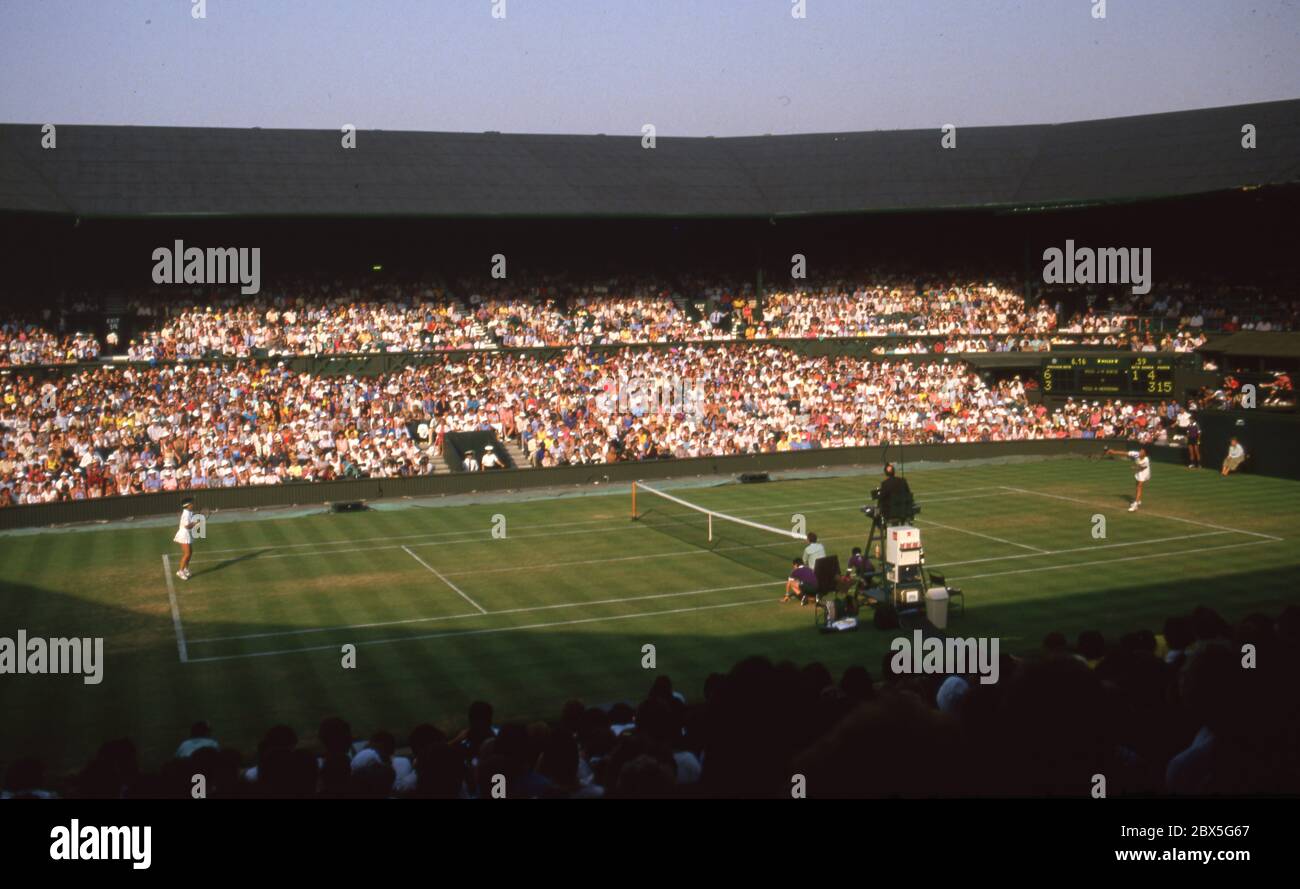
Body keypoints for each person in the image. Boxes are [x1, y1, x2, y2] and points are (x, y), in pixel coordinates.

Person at [1104, 447, 1150, 511]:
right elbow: (1125, 453)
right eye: (1140, 450)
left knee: (1139, 487)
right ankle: (1138, 500)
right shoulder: (1136, 454)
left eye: (1142, 451)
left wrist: (1135, 468)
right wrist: (1114, 452)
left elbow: (1143, 468)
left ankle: (1135, 505)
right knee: (1137, 486)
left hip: (1144, 472)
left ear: (1145, 454)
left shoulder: (1146, 460)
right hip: (1139, 471)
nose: (1140, 452)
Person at [173, 497, 200, 580]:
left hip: (187, 534)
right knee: (187, 553)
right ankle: (180, 571)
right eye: (192, 503)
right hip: (184, 535)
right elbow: (187, 526)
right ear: (188, 505)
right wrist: (196, 523)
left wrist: (196, 523)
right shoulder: (186, 514)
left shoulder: (189, 512)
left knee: (190, 552)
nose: (193, 505)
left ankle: (185, 569)